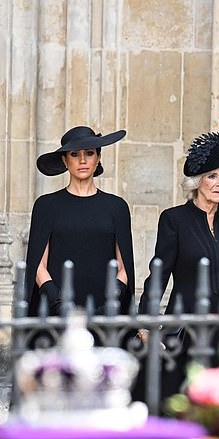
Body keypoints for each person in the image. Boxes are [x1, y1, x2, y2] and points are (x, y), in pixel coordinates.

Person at [24, 126, 134, 315]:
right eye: (75, 154)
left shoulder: (117, 207)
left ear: (98, 159)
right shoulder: (46, 206)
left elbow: (125, 267)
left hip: (105, 313)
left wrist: (110, 303)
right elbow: (38, 265)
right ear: (64, 160)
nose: (82, 160)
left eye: (89, 153)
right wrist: (59, 304)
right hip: (56, 313)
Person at [138, 132, 219, 314]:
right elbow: (160, 275)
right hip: (188, 323)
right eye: (212, 176)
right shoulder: (174, 219)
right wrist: (144, 322)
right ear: (197, 181)